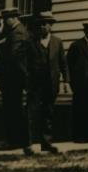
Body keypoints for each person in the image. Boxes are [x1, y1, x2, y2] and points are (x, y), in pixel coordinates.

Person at [26, 11, 68, 155]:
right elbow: (25, 63)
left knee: (48, 113)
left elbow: (63, 63)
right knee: (33, 113)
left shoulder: (58, 42)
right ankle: (31, 143)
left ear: (51, 26)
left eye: (46, 24)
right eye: (40, 24)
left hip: (51, 83)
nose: (43, 27)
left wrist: (66, 81)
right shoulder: (31, 42)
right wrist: (27, 81)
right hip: (35, 85)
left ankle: (47, 143)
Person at [0, 7, 30, 151]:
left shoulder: (18, 33)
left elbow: (13, 56)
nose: (5, 22)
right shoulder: (16, 32)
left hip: (13, 77)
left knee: (12, 109)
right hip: (15, 77)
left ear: (13, 18)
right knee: (15, 108)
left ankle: (14, 141)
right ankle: (18, 140)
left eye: (6, 19)